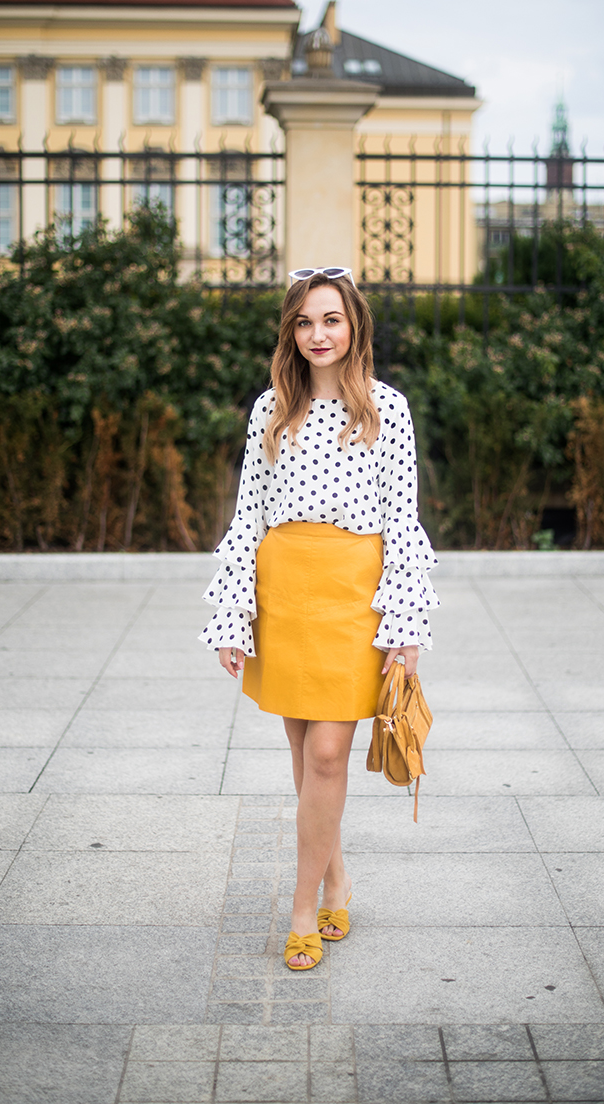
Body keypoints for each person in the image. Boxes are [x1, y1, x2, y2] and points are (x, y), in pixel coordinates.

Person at [199, 266, 439, 969]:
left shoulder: (387, 410)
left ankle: (302, 909)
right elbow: (248, 517)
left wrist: (406, 625)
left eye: (330, 319)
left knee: (329, 753)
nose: (317, 334)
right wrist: (232, 612)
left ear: (354, 325)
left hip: (352, 594)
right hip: (284, 588)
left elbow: (403, 519)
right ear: (291, 332)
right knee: (305, 755)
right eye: (304, 322)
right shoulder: (270, 408)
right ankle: (335, 877)